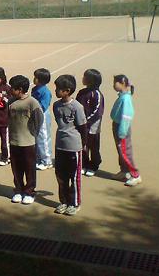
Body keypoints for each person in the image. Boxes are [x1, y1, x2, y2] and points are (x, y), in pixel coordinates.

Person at [52, 74, 87, 216]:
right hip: (60, 145)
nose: (56, 91)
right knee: (61, 175)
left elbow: (82, 127)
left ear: (67, 91)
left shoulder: (77, 107)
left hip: (73, 147)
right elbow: (59, 122)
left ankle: (75, 203)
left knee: (74, 177)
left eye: (58, 89)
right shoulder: (56, 105)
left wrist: (83, 144)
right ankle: (64, 201)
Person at [8, 75, 44, 205]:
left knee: (29, 168)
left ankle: (29, 192)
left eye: (13, 88)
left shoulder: (32, 102)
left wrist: (33, 133)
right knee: (16, 168)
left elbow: (39, 119)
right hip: (14, 141)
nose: (10, 90)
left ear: (20, 89)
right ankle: (18, 190)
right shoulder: (11, 102)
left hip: (28, 142)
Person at [110, 74, 141, 187]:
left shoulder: (126, 99)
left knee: (125, 152)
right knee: (120, 151)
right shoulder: (122, 96)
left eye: (115, 83)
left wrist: (122, 131)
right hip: (117, 125)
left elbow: (127, 116)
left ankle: (135, 175)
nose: (113, 85)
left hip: (122, 128)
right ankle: (124, 171)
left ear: (122, 83)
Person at [76, 69, 105, 177]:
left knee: (93, 146)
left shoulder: (97, 94)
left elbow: (97, 112)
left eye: (85, 77)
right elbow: (77, 106)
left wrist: (86, 121)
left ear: (91, 80)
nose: (83, 78)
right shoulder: (81, 92)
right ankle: (84, 164)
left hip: (92, 126)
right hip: (82, 124)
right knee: (83, 145)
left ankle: (94, 165)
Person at [32, 68, 53, 170]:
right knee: (36, 137)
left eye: (35, 77)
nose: (34, 79)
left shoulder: (45, 92)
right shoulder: (34, 89)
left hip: (42, 115)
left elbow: (43, 106)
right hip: (35, 114)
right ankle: (39, 158)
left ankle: (47, 161)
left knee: (43, 137)